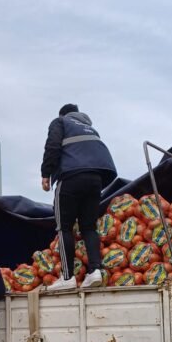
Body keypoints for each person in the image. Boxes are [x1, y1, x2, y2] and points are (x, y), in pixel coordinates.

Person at [41, 103, 117, 291]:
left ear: (63, 114)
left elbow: (52, 146)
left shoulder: (60, 122)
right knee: (89, 227)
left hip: (71, 177)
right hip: (96, 179)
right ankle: (94, 271)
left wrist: (46, 173)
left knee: (64, 227)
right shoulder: (90, 128)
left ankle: (67, 277)